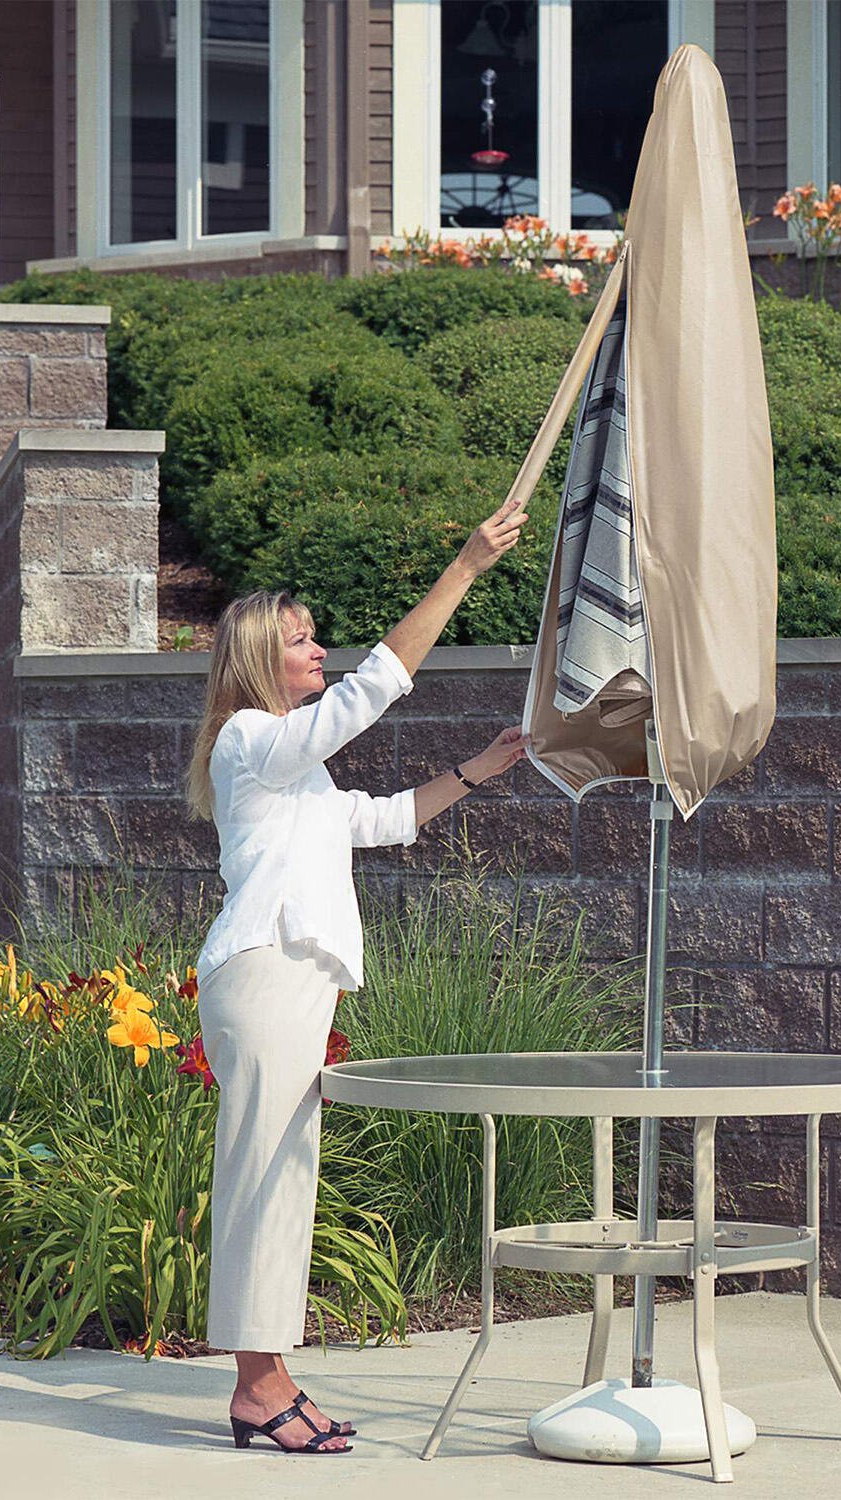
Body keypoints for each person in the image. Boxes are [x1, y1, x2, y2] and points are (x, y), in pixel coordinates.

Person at [184, 494, 532, 1455]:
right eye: (301, 641)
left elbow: (376, 819)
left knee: (281, 1175)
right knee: (263, 1175)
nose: (318, 652)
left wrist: (480, 769)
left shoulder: (295, 773)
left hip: (290, 977)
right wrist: (463, 568)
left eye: (316, 639)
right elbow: (364, 697)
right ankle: (259, 1389)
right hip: (265, 974)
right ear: (261, 659)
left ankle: (271, 1378)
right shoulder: (253, 741)